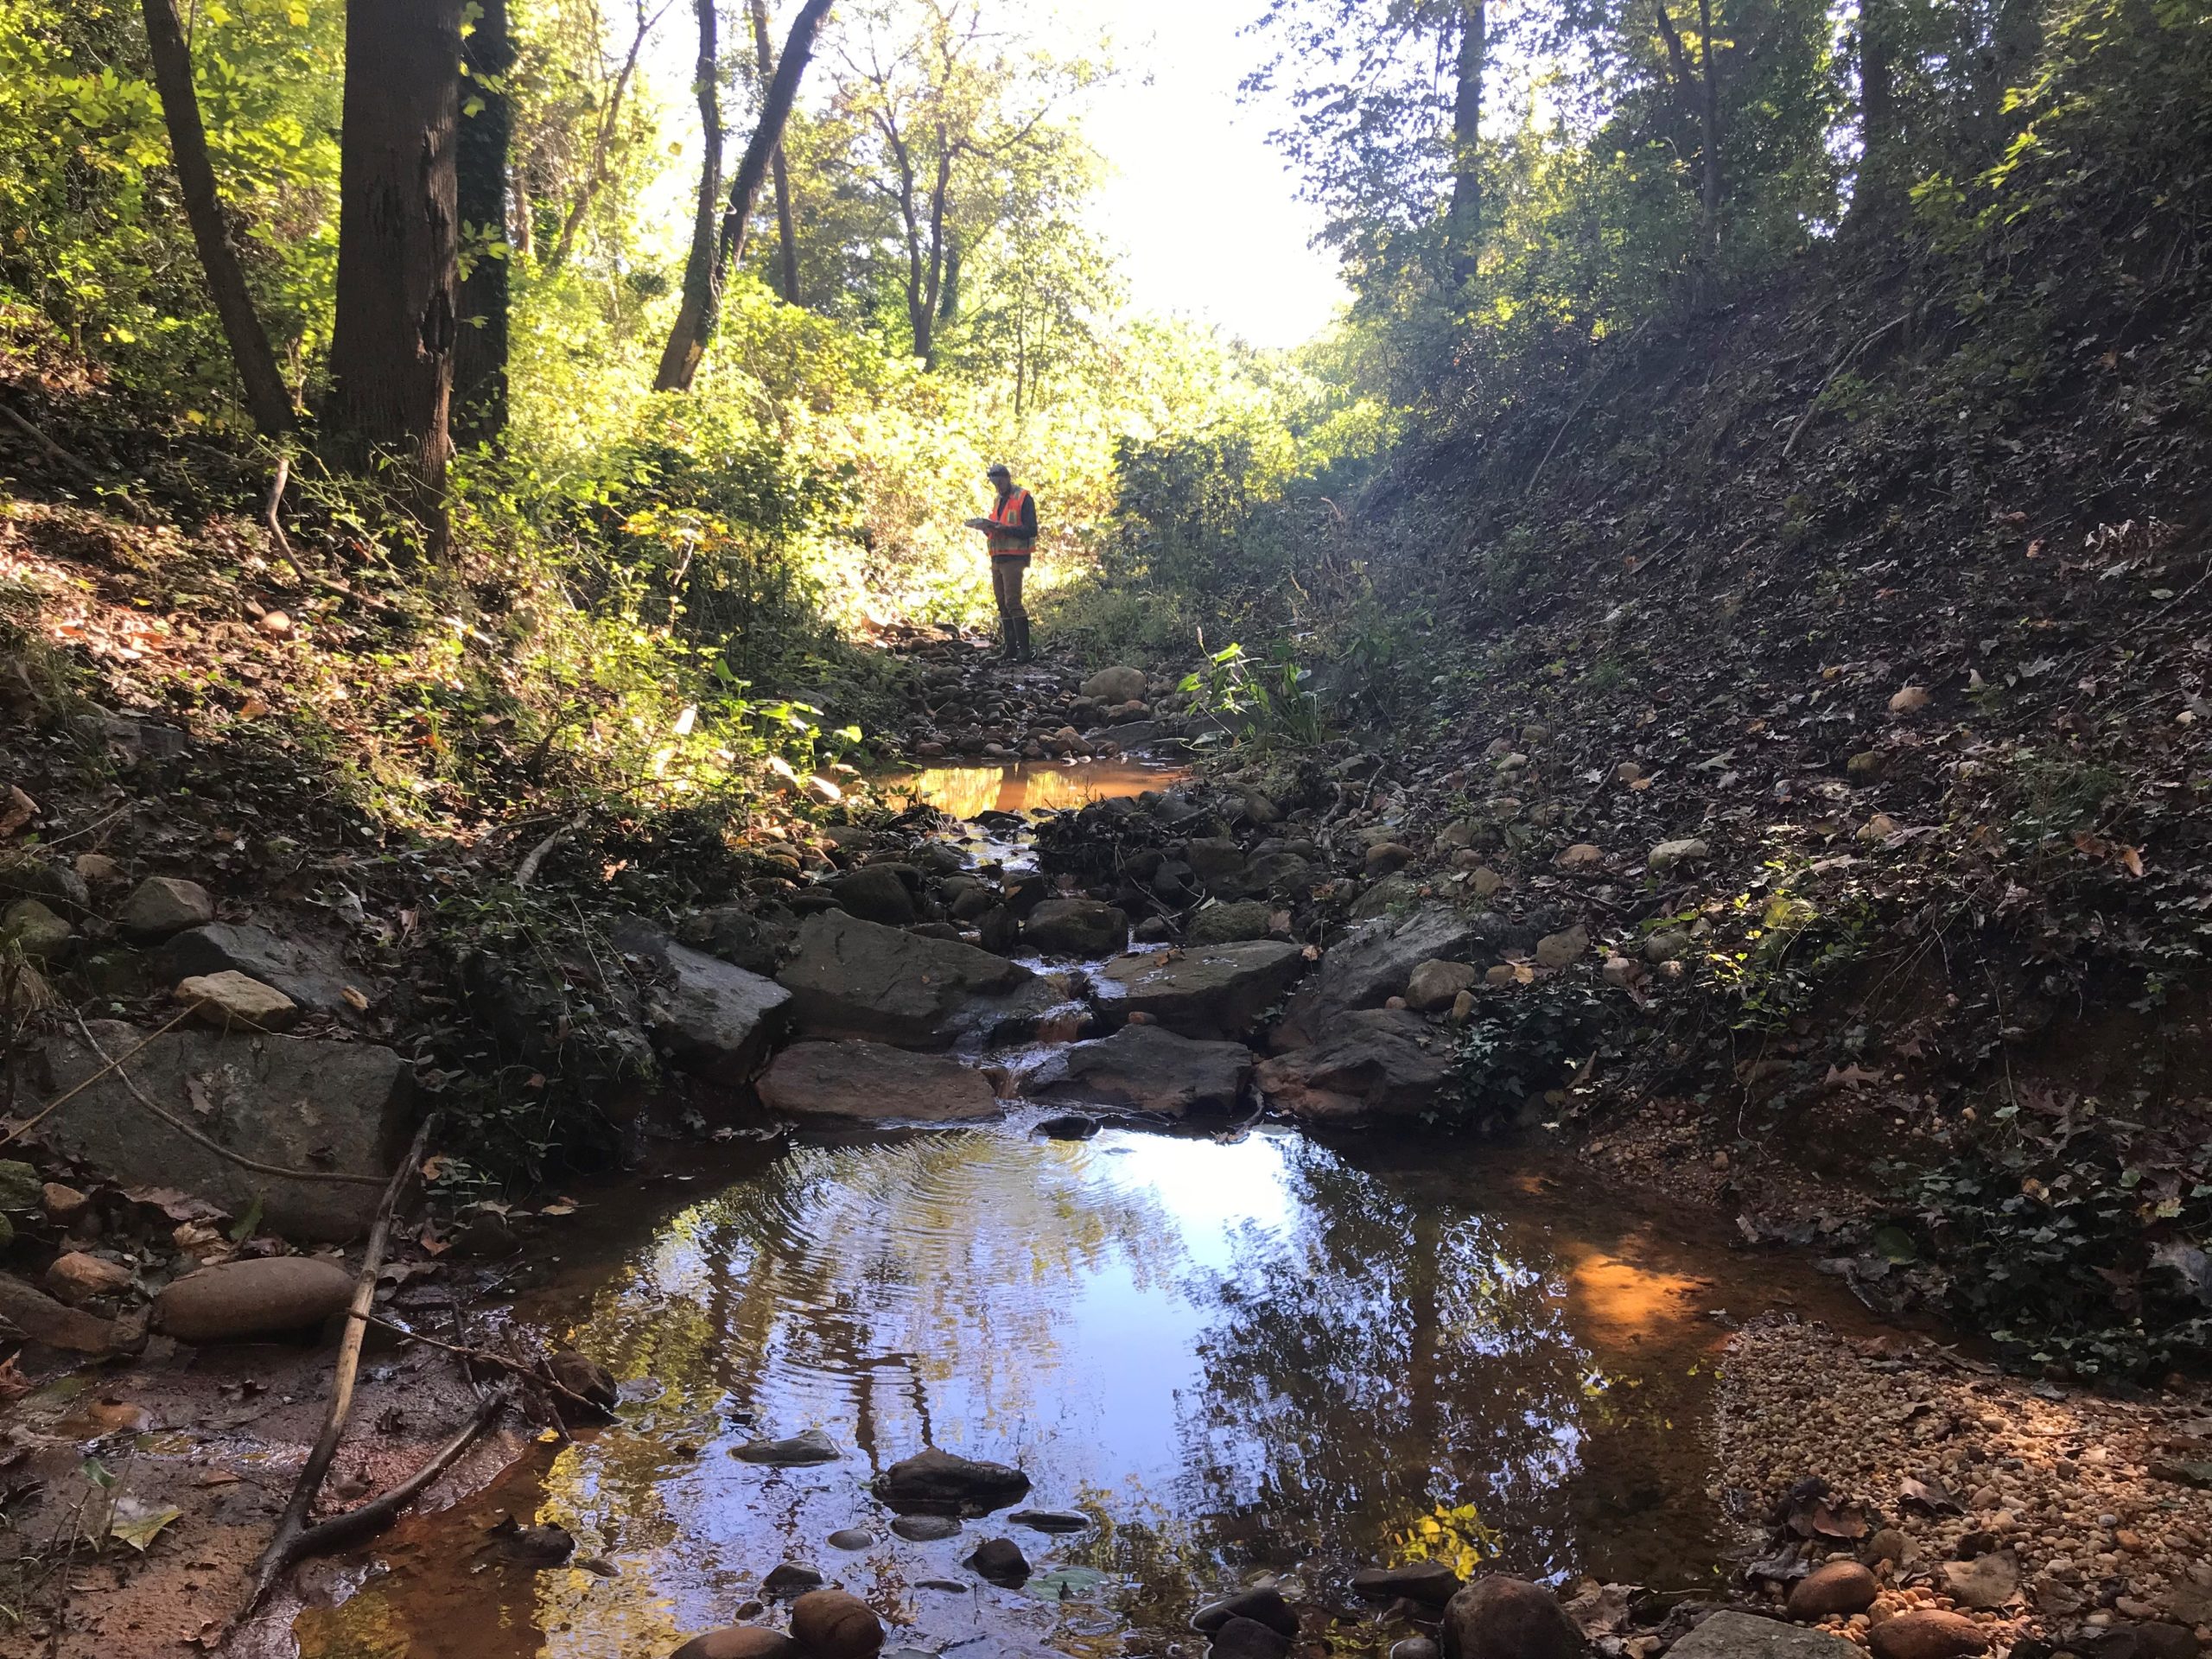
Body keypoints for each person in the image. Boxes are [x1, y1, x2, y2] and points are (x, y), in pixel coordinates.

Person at [965, 462, 1037, 661]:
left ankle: (1024, 651)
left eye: (1000, 482)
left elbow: (1031, 529)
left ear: (1007, 478)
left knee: (1013, 601)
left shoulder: (1023, 497)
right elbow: (997, 524)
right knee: (1002, 603)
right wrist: (987, 528)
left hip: (1014, 557)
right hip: (997, 556)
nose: (998, 486)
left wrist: (1004, 528)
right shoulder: (999, 500)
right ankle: (1010, 649)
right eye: (994, 483)